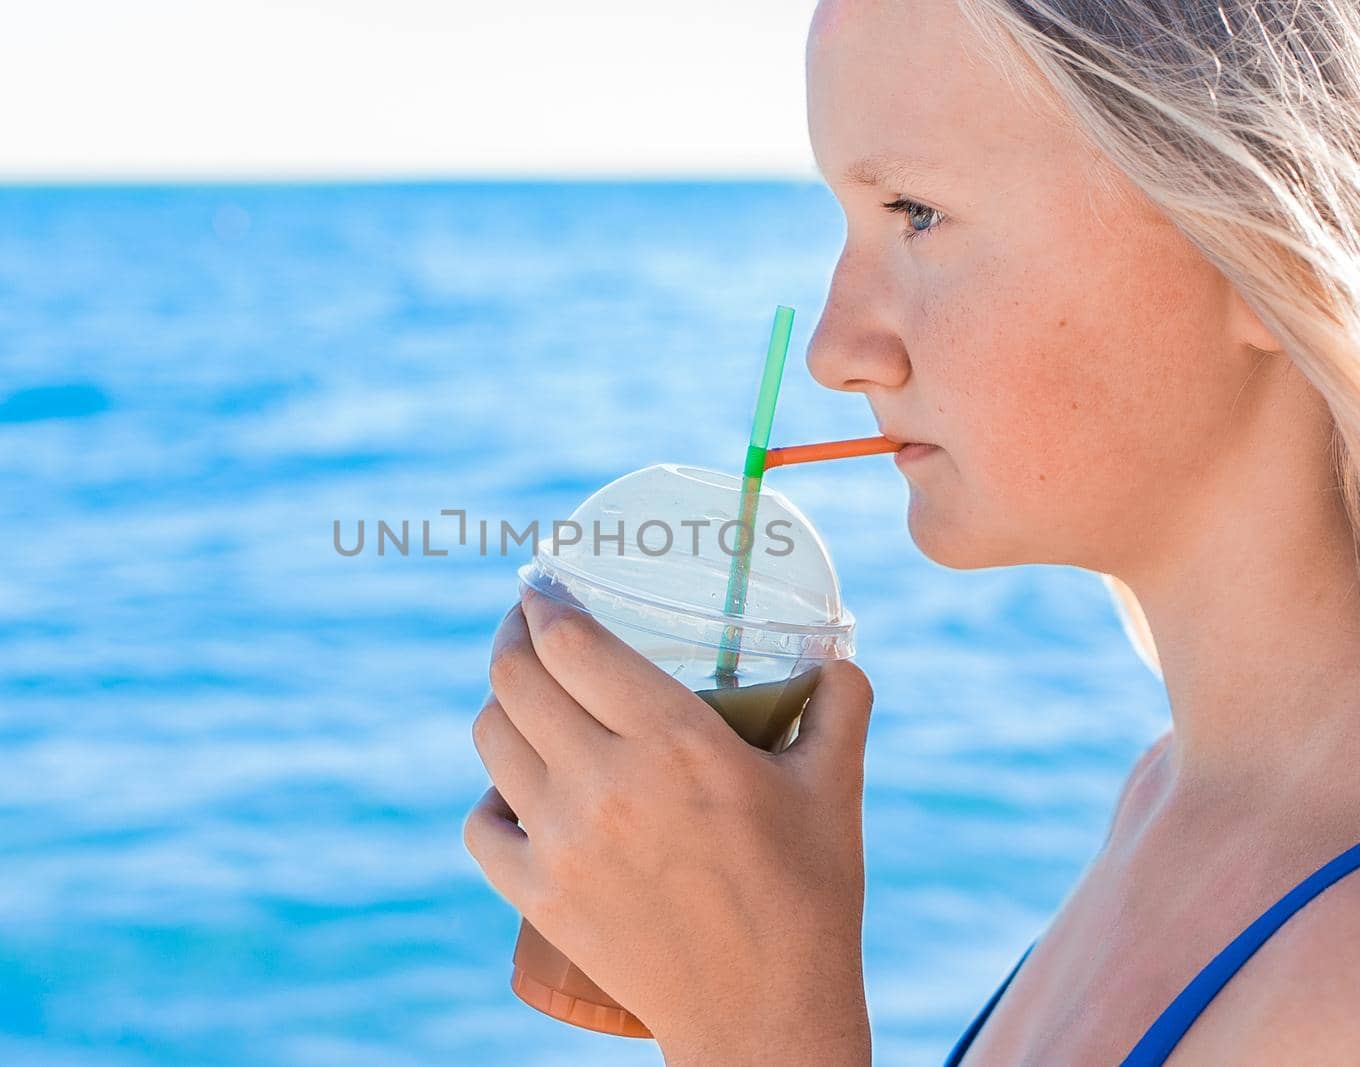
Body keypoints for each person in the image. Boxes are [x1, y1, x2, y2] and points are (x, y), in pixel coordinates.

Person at [463, 0, 1360, 1061]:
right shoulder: (1162, 798)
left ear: (1259, 235)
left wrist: (764, 1017)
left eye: (915, 212)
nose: (838, 352)